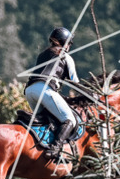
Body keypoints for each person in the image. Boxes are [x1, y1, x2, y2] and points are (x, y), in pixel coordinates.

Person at [25, 26, 80, 159]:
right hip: (44, 90)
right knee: (69, 120)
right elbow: (75, 83)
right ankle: (54, 149)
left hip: (29, 91)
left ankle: (40, 147)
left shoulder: (43, 54)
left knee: (47, 122)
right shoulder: (65, 56)